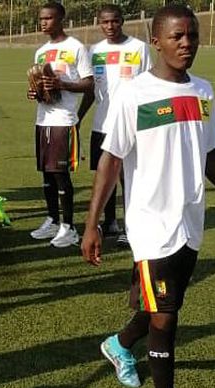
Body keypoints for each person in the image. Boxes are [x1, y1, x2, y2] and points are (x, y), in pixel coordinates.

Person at [80, 6, 215, 388]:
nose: (186, 44)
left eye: (192, 36)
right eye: (177, 36)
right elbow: (111, 159)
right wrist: (92, 223)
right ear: (156, 41)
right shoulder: (134, 93)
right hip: (150, 225)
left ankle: (118, 344)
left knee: (162, 304)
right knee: (166, 318)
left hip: (190, 220)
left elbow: (209, 153)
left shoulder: (202, 90)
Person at [78, 4, 151, 247]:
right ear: (99, 23)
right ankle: (109, 222)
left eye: (115, 21)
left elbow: (148, 87)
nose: (110, 26)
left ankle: (131, 226)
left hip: (130, 125)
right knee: (103, 174)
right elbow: (92, 90)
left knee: (127, 178)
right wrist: (79, 117)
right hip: (102, 124)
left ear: (122, 21)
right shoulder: (95, 50)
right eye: (105, 22)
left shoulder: (139, 48)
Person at [27, 2, 93, 248]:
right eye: (41, 18)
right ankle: (52, 221)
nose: (44, 22)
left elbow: (89, 85)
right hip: (43, 119)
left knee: (60, 174)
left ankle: (70, 227)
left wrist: (62, 85)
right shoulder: (41, 51)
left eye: (49, 18)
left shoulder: (76, 47)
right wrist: (36, 92)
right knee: (46, 174)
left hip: (63, 120)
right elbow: (41, 84)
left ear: (61, 19)